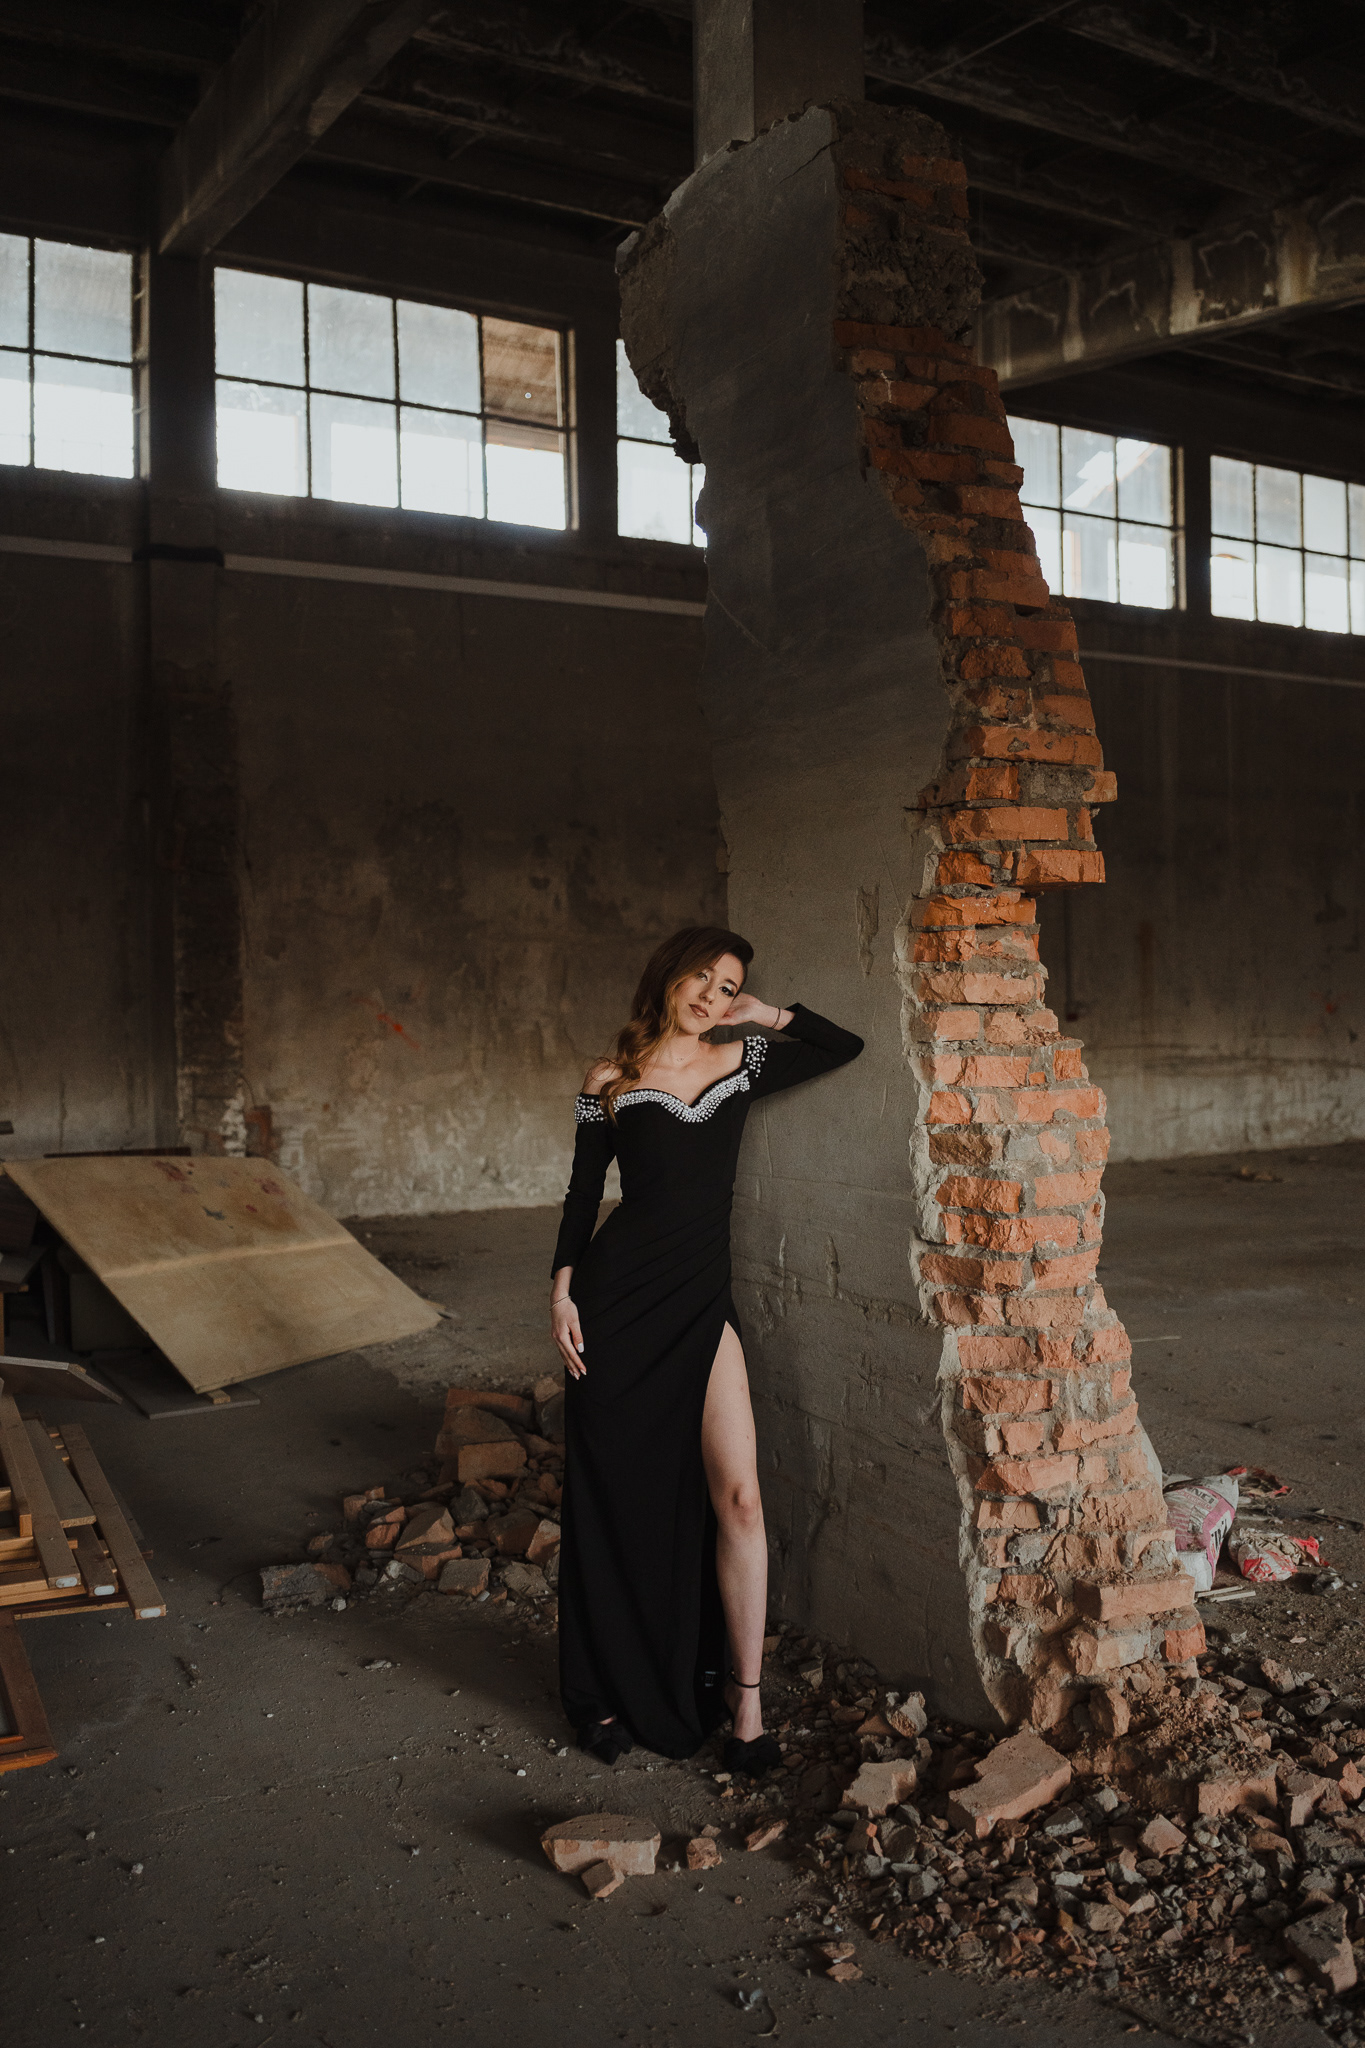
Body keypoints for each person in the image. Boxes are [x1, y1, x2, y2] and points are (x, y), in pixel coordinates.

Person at [548, 925, 863, 1769]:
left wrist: (767, 1013)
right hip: (614, 1305)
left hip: (699, 1304)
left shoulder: (742, 1061)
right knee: (614, 1499)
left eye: (726, 987)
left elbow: (843, 1046)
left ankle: (745, 1700)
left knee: (740, 1500)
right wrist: (562, 1291)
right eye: (702, 978)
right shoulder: (609, 1080)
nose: (711, 997)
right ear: (667, 976)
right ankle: (601, 1689)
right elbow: (582, 1194)